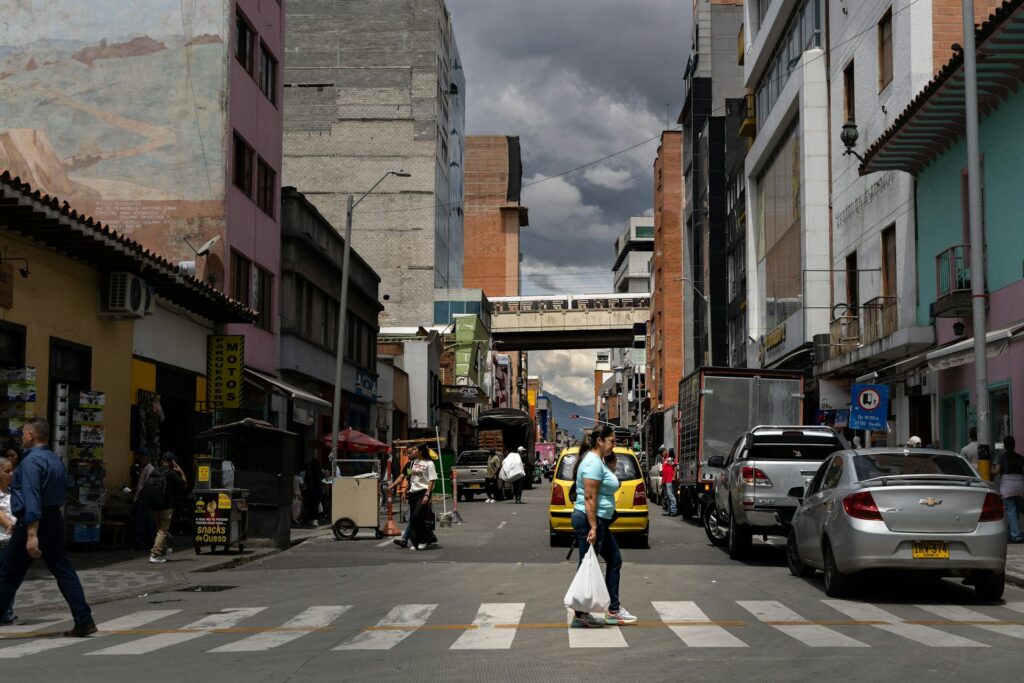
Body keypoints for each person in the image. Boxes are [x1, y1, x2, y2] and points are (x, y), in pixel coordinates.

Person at [0, 419, 95, 637]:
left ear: (32, 435)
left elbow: (33, 497)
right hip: (53, 519)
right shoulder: (55, 460)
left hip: (34, 521)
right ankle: (84, 619)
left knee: (8, 574)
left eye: (24, 433)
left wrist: (31, 534)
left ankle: (84, 620)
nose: (21, 437)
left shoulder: (31, 462)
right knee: (64, 571)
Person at [570, 425, 637, 628]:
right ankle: (581, 615)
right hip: (591, 519)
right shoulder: (592, 463)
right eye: (612, 441)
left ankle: (612, 610)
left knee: (613, 560)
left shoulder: (596, 460)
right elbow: (590, 498)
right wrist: (594, 527)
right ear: (600, 441)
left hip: (597, 520)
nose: (613, 445)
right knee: (587, 566)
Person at [143, 452, 187, 564]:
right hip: (166, 506)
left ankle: (165, 551)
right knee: (163, 531)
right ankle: (155, 554)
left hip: (153, 506)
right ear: (172, 461)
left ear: (162, 460)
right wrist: (181, 471)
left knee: (160, 530)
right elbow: (184, 485)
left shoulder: (154, 471)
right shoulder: (171, 473)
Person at [992, 436, 1024, 543]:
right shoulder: (1020, 457)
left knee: (1010, 510)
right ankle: (1011, 533)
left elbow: (996, 471)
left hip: (1007, 485)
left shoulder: (1001, 456)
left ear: (1004, 445)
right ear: (1014, 445)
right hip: (1020, 484)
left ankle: (1016, 535)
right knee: (1015, 510)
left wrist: (989, 471)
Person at [406, 444, 437, 551]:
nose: (413, 451)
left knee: (417, 515)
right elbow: (411, 478)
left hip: (423, 492)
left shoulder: (429, 463)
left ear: (421, 451)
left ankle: (424, 539)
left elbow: (432, 480)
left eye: (415, 449)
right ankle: (415, 542)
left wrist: (427, 495)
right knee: (413, 519)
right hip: (413, 492)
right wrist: (407, 490)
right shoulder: (414, 462)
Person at [0, 455, 18, 625]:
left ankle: (7, 613)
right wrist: (10, 525)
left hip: (10, 543)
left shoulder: (13, 493)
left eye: (12, 470)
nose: (11, 474)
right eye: (7, 471)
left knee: (8, 580)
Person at [130, 449, 155, 550]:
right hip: (142, 498)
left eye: (141, 458)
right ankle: (144, 541)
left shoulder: (149, 469)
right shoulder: (144, 469)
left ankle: (142, 542)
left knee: (141, 521)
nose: (139, 460)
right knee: (144, 521)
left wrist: (137, 496)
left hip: (143, 499)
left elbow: (145, 486)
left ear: (146, 458)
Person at [661, 451, 678, 517]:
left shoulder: (671, 458)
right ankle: (669, 510)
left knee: (670, 495)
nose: (662, 453)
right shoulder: (665, 459)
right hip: (665, 480)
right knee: (667, 496)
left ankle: (674, 510)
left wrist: (674, 476)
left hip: (669, 480)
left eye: (662, 452)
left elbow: (675, 466)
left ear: (666, 451)